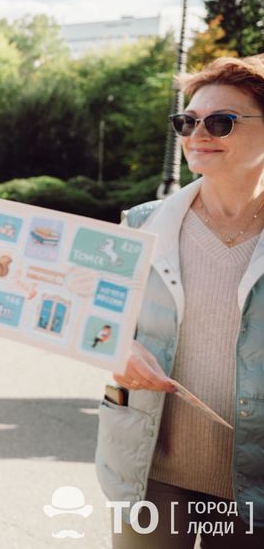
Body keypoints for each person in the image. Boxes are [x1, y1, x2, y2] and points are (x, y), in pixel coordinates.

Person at [96, 56, 264, 546]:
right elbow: (95, 324)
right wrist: (115, 349)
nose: (197, 134)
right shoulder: (140, 225)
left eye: (220, 122)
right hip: (148, 475)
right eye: (187, 122)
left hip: (255, 488)